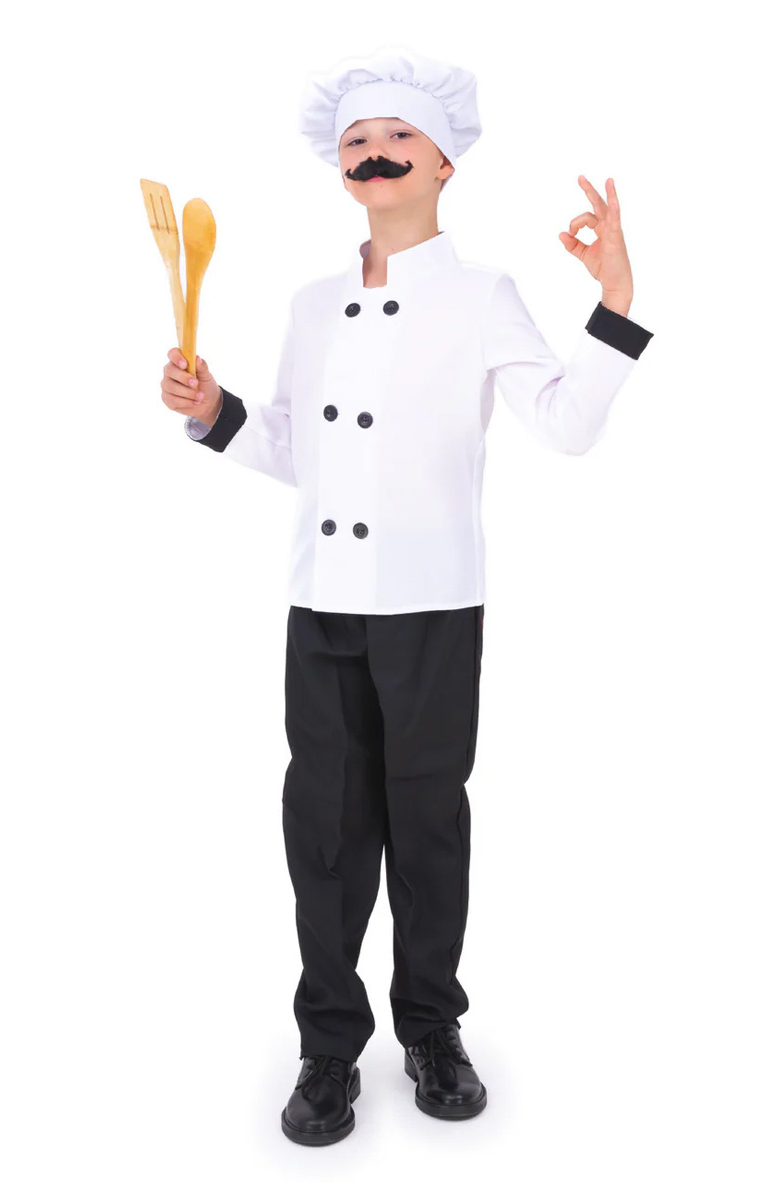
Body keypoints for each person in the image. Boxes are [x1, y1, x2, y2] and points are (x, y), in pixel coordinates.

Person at [158, 46, 653, 1146]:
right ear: (339, 168)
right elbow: (300, 453)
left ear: (443, 164)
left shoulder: (481, 297)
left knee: (427, 823)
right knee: (324, 832)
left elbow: (568, 427)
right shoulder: (310, 305)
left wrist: (615, 300)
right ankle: (329, 1046)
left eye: (397, 137)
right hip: (323, 603)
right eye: (356, 139)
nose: (373, 152)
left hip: (432, 602)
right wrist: (215, 408)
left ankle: (431, 1027)